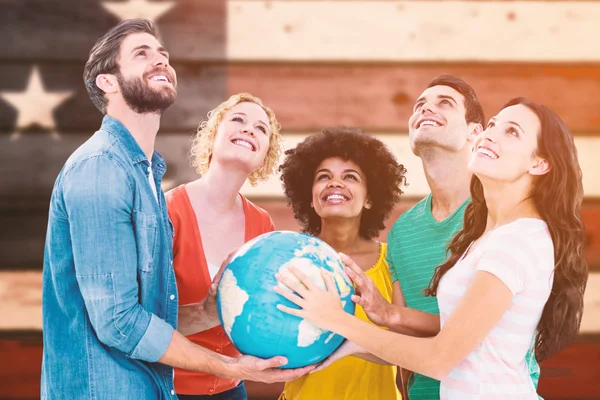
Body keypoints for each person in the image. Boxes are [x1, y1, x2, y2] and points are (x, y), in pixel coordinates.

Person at [41, 19, 312, 399]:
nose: (161, 61)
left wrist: (206, 312)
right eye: (142, 54)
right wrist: (230, 366)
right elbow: (119, 323)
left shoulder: (144, 177)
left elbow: (147, 315)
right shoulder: (101, 168)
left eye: (164, 56)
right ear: (108, 81)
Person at [275, 98, 588, 399]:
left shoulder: (516, 241)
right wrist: (389, 314)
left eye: (512, 131)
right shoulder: (489, 235)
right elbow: (464, 329)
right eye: (492, 124)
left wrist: (340, 322)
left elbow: (440, 359)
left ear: (540, 163)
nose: (490, 134)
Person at [166, 92, 284, 399]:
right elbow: (142, 322)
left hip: (233, 391)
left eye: (261, 129)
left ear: (265, 156)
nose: (249, 130)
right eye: (238, 120)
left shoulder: (262, 225)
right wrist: (206, 314)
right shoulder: (167, 212)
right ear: (212, 136)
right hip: (166, 390)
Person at [277, 127, 407, 400]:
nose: (335, 183)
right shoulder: (291, 259)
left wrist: (352, 341)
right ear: (311, 198)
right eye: (323, 177)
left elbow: (410, 349)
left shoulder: (392, 261)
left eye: (350, 177)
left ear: (370, 198)